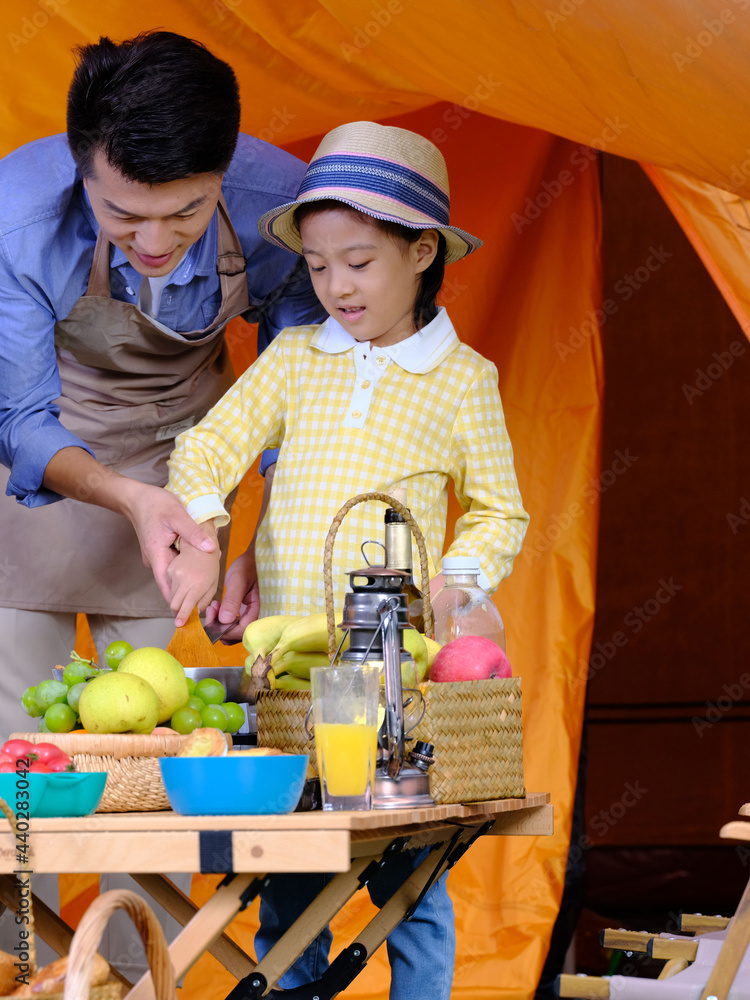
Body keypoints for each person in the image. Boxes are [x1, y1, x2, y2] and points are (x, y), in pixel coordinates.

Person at [164, 120, 530, 998]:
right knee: (291, 873)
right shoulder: (294, 357)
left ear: (422, 251)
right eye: (319, 266)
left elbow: (499, 509)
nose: (336, 286)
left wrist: (463, 578)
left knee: (414, 876)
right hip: (292, 674)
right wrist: (210, 533)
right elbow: (204, 451)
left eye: (359, 262)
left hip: (399, 675)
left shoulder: (462, 378)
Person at [0, 29, 324, 980]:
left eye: (183, 214)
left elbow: (300, 389)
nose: (149, 241)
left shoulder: (285, 206)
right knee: (21, 762)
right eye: (120, 214)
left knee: (157, 762)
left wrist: (250, 533)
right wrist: (131, 501)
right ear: (81, 165)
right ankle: (21, 970)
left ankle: (150, 974)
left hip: (195, 471)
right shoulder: (16, 217)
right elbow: (17, 415)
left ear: (224, 173)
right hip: (47, 465)